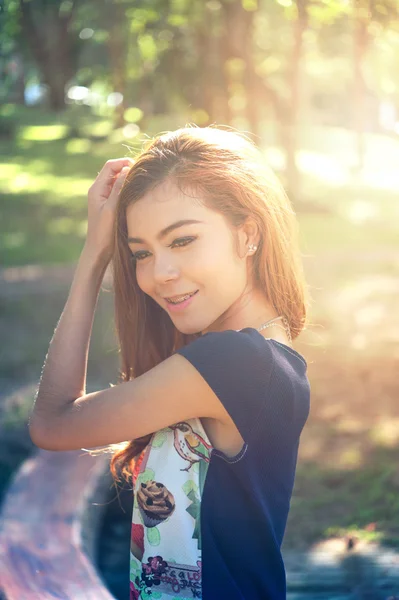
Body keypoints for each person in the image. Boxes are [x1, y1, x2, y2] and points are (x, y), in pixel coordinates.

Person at [29, 126, 311, 600]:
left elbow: (52, 423)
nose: (159, 274)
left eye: (181, 241)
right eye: (140, 252)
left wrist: (92, 258)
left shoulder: (234, 362)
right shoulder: (263, 355)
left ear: (248, 234)